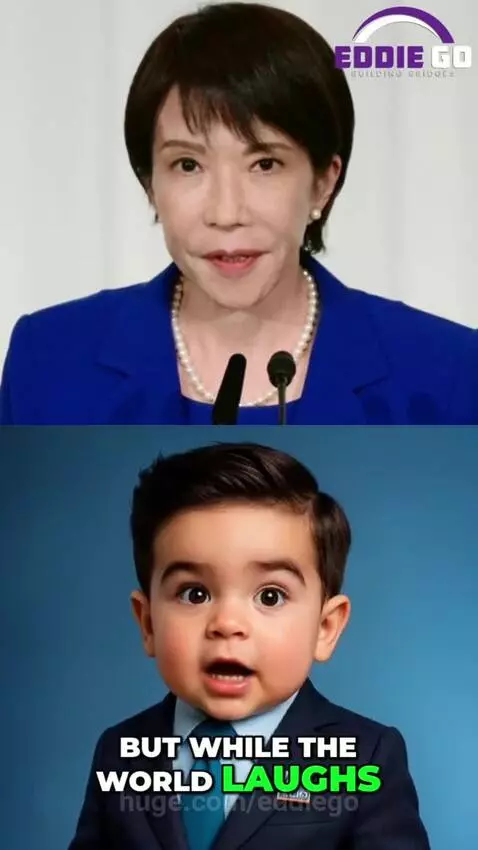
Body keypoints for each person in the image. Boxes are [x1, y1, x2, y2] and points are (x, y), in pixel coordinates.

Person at [1, 2, 477, 425]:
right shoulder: (48, 361)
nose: (226, 213)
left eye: (264, 164)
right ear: (150, 183)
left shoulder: (446, 372)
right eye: (187, 165)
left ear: (323, 181)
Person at [68, 442, 430, 849]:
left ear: (325, 628)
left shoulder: (366, 755)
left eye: (270, 596)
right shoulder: (119, 750)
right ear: (148, 622)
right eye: (194, 594)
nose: (227, 624)